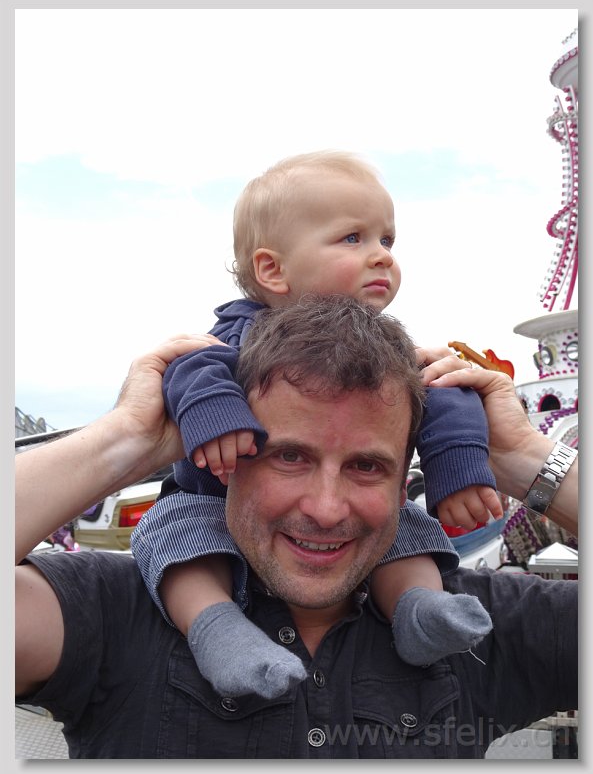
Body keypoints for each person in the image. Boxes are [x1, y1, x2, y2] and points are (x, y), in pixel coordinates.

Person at [15, 296, 577, 759]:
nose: (327, 509)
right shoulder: (113, 611)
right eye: (288, 457)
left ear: (404, 478)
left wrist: (526, 458)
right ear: (226, 456)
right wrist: (127, 440)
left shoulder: (472, 626)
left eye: (367, 466)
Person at [130, 151, 502, 697]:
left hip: (343, 526)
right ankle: (216, 629)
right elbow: (190, 367)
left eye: (387, 240)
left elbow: (444, 387)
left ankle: (419, 608)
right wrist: (215, 417)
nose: (381, 255)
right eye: (353, 238)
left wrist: (458, 464)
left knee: (403, 526)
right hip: (213, 496)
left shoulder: (385, 348)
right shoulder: (241, 334)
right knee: (172, 534)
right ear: (272, 269)